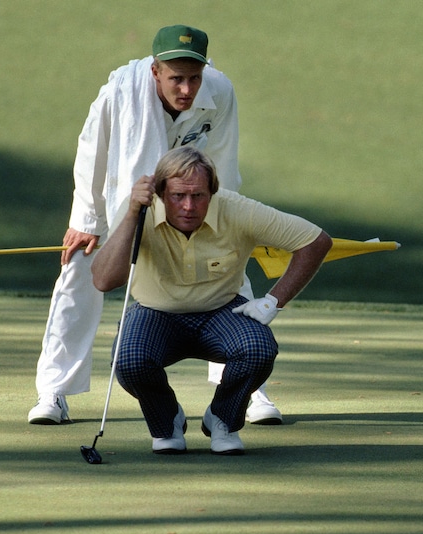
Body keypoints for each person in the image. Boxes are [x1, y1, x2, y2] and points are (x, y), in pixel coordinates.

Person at [28, 25, 284, 425]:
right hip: (123, 207)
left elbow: (223, 159)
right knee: (78, 275)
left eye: (193, 79)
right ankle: (54, 391)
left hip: (191, 206)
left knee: (230, 277)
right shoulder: (119, 90)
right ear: (155, 71)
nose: (186, 89)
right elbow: (91, 150)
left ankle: (249, 393)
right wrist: (86, 220)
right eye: (176, 79)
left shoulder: (221, 92)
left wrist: (227, 224)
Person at [92, 146, 332, 455]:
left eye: (199, 196)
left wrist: (274, 301)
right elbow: (104, 280)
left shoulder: (237, 209)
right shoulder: (139, 210)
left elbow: (315, 241)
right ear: (162, 193)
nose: (189, 206)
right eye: (179, 195)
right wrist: (130, 215)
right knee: (130, 361)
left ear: (213, 191)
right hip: (155, 312)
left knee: (259, 348)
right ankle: (168, 422)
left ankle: (222, 418)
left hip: (220, 312)